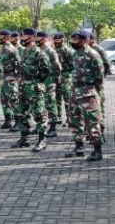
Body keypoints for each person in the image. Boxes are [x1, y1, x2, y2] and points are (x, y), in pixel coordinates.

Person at [67, 30, 105, 160]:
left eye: (76, 40)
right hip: (75, 91)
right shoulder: (76, 54)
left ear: (84, 40)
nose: (73, 42)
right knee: (74, 119)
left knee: (92, 121)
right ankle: (79, 146)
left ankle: (97, 150)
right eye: (73, 40)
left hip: (88, 92)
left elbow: (99, 76)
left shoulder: (93, 55)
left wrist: (95, 92)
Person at [13, 28, 52, 151]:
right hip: (24, 87)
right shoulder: (24, 52)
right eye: (22, 37)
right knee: (22, 113)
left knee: (39, 114)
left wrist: (36, 82)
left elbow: (46, 71)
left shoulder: (39, 53)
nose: (22, 39)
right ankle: (24, 139)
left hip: (35, 88)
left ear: (32, 38)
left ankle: (42, 141)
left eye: (24, 37)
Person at [37, 30, 62, 137]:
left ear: (44, 39)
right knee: (43, 104)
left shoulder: (50, 51)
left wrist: (54, 79)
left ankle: (53, 127)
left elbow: (57, 67)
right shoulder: (39, 50)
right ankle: (43, 125)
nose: (37, 40)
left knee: (51, 104)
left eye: (39, 38)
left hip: (50, 81)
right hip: (42, 82)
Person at [0, 31, 21, 130]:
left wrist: (16, 77)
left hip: (11, 78)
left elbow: (19, 64)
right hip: (3, 78)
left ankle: (18, 122)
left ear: (7, 37)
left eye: (1, 36)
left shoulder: (11, 49)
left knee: (13, 100)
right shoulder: (3, 48)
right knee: (4, 100)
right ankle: (7, 121)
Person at [51, 32, 74, 126]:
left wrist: (65, 75)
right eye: (55, 40)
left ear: (62, 40)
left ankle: (69, 119)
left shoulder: (67, 51)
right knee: (56, 98)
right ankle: (58, 117)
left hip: (65, 79)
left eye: (58, 40)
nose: (56, 42)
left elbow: (72, 66)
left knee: (67, 98)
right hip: (55, 78)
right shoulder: (53, 50)